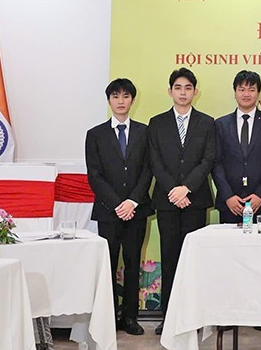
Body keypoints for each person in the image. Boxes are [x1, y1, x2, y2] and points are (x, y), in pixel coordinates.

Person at [148, 67, 216, 335]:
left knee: (193, 261)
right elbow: (155, 161)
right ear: (170, 91)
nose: (183, 93)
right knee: (169, 258)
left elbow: (208, 159)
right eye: (178, 88)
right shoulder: (157, 123)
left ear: (195, 92)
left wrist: (186, 188)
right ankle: (169, 317)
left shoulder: (207, 123)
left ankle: (193, 318)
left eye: (188, 88)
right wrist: (174, 190)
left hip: (194, 200)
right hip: (167, 201)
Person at [85, 78, 153, 335]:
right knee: (109, 265)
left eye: (126, 96)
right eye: (116, 96)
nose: (121, 101)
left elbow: (148, 170)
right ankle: (109, 317)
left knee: (133, 263)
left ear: (133, 100)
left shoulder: (145, 132)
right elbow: (94, 175)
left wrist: (132, 201)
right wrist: (117, 204)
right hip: (108, 211)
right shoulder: (95, 134)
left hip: (137, 210)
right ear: (109, 100)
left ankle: (130, 317)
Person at [213, 70, 261, 225]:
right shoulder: (221, 124)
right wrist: (228, 196)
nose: (246, 94)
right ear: (235, 92)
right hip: (230, 204)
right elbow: (216, 162)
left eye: (251, 89)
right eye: (241, 89)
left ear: (259, 93)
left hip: (260, 202)